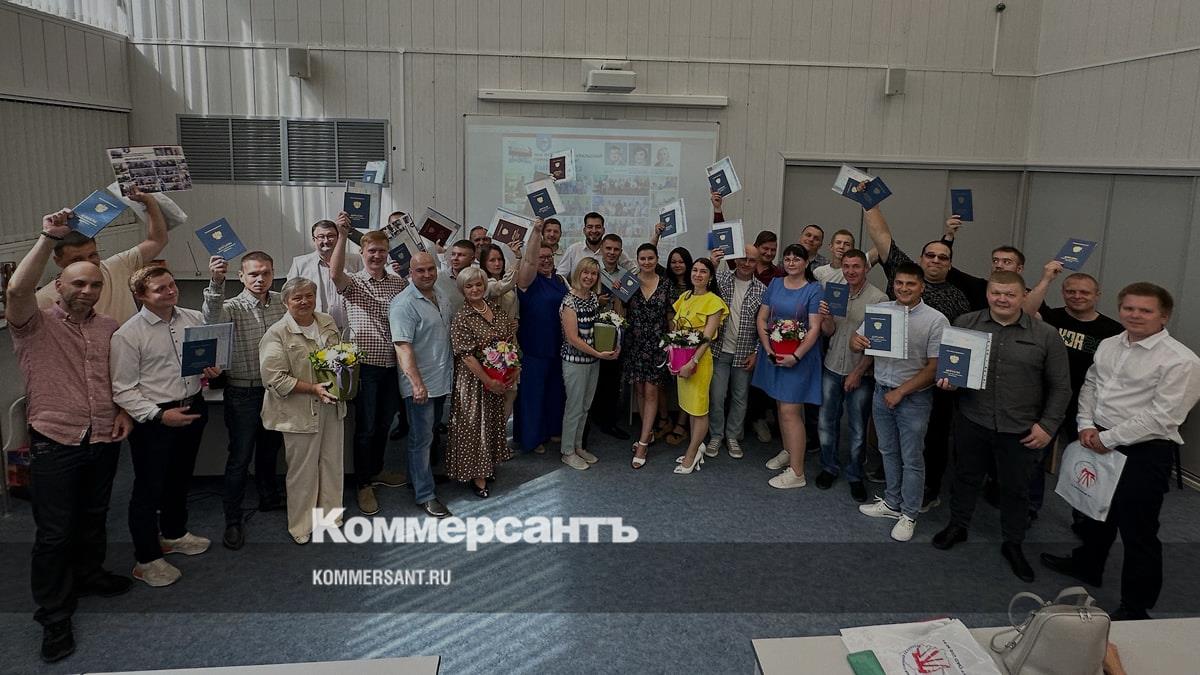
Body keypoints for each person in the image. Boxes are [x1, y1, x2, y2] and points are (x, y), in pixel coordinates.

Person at [9, 209, 134, 663]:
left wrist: (124, 410)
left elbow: (118, 378)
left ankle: (89, 575)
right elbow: (17, 290)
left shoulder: (108, 328)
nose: (87, 291)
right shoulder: (34, 324)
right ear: (58, 284)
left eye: (95, 285)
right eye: (78, 283)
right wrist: (47, 238)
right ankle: (55, 616)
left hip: (102, 436)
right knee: (55, 533)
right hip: (55, 441)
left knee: (94, 516)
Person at [1041, 283, 1200, 620]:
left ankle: (1136, 605)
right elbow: (1091, 384)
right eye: (1129, 308)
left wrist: (1108, 438)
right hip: (1096, 435)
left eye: (1145, 310)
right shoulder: (1110, 343)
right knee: (1094, 511)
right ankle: (1088, 565)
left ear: (1164, 316)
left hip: (1144, 451)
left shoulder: (1182, 360)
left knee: (1138, 531)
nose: (1135, 315)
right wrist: (1085, 423)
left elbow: (1163, 416)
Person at [931, 272, 1071, 582]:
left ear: (1023, 297)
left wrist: (1048, 426)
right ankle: (958, 525)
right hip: (973, 419)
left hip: (1021, 428)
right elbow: (952, 368)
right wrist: (949, 382)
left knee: (1016, 489)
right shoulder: (966, 323)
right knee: (965, 478)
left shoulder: (1046, 334)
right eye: (996, 293)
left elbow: (1061, 387)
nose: (1002, 299)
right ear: (988, 294)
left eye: (1010, 294)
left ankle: (1013, 543)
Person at [111, 267, 218, 587]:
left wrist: (211, 369)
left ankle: (173, 534)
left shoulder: (193, 318)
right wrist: (159, 416)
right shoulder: (128, 335)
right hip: (155, 419)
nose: (171, 291)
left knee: (180, 477)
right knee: (149, 488)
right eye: (160, 289)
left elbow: (204, 361)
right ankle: (146, 560)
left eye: (171, 285)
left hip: (193, 406)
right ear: (141, 296)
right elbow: (123, 389)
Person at [863, 199, 971, 512]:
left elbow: (961, 346)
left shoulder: (958, 299)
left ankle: (927, 491)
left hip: (932, 385)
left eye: (943, 257)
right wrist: (868, 202)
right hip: (889, 377)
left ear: (950, 264)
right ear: (921, 260)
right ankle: (894, 493)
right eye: (930, 255)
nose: (935, 260)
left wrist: (954, 377)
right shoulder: (901, 280)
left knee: (931, 441)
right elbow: (882, 237)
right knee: (889, 442)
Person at [852, 262, 948, 542]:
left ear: (922, 287)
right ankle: (892, 502)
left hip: (914, 399)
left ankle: (909, 513)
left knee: (912, 458)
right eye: (899, 283)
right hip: (881, 391)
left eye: (910, 284)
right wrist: (856, 342)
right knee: (887, 451)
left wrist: (902, 392)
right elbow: (857, 340)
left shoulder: (935, 320)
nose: (904, 288)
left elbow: (934, 367)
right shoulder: (881, 310)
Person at [1022, 264, 1124, 522]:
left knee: (1087, 460)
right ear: (1063, 293)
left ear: (1097, 295)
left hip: (1087, 406)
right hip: (1046, 401)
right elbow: (1026, 311)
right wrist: (1047, 278)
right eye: (1070, 291)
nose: (1077, 296)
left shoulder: (1113, 331)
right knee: (1034, 456)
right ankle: (1029, 507)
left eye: (1084, 292)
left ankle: (1083, 516)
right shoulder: (1052, 318)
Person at [201, 252, 286, 550]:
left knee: (270, 449)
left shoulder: (282, 302)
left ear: (273, 273)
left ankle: (268, 497)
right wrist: (216, 282)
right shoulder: (231, 307)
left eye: (265, 273)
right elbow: (210, 319)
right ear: (241, 276)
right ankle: (233, 519)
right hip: (242, 393)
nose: (260, 279)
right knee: (240, 457)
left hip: (275, 391)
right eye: (253, 274)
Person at [330, 216, 408, 516]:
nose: (377, 256)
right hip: (365, 367)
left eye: (381, 251)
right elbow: (335, 273)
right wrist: (342, 234)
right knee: (366, 427)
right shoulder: (354, 282)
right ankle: (363, 484)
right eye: (371, 251)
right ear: (362, 253)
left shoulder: (399, 284)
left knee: (385, 424)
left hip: (393, 365)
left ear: (388, 253)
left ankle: (376, 471)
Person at [259, 277, 346, 544]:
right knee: (303, 471)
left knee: (332, 463)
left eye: (309, 296)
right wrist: (312, 388)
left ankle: (331, 517)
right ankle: (301, 525)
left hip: (331, 406)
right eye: (297, 298)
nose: (304, 301)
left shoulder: (327, 322)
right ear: (285, 302)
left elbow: (338, 357)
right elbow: (274, 378)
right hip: (298, 412)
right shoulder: (276, 333)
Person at [814, 249, 887, 501]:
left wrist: (858, 372)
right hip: (832, 366)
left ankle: (855, 475)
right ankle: (829, 467)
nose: (850, 271)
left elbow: (877, 343)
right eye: (846, 266)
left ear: (866, 268)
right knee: (826, 422)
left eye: (856, 266)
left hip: (861, 373)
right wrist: (825, 318)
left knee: (857, 428)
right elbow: (829, 332)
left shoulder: (879, 299)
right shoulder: (835, 291)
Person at [36, 187, 168, 324]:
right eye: (77, 259)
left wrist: (149, 202)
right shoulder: (45, 299)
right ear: (58, 261)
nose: (88, 263)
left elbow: (157, 240)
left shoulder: (117, 266)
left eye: (92, 255)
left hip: (132, 337)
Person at [752, 245, 823, 487]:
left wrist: (797, 355)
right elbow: (762, 318)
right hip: (774, 354)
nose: (791, 263)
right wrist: (767, 348)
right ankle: (788, 450)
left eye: (797, 259)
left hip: (799, 359)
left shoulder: (814, 289)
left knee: (791, 412)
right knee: (781, 407)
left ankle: (797, 473)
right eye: (788, 259)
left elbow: (815, 327)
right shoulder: (775, 284)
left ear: (806, 263)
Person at [389, 252, 453, 518]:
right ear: (410, 273)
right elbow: (402, 347)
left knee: (429, 434)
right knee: (421, 439)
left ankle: (418, 478)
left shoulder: (440, 293)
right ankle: (425, 494)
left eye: (430, 269)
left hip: (440, 379)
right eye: (420, 270)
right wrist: (416, 384)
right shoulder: (403, 304)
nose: (427, 274)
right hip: (420, 383)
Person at [446, 267, 519, 496]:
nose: (475, 289)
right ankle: (477, 476)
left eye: (478, 284)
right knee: (474, 426)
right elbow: (466, 356)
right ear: (462, 290)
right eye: (469, 286)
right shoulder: (462, 317)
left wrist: (514, 368)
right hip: (474, 381)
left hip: (498, 376)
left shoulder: (496, 309)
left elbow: (508, 340)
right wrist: (488, 381)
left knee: (492, 422)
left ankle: (488, 466)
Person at [671, 257, 730, 474]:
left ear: (710, 276)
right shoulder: (685, 297)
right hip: (681, 359)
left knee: (699, 410)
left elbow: (707, 338)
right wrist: (673, 356)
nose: (697, 274)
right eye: (695, 270)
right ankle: (696, 447)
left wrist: (692, 361)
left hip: (699, 361)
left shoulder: (714, 301)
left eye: (703, 271)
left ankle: (692, 453)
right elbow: (676, 328)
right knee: (689, 407)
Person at [514, 222, 569, 454]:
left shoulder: (560, 280)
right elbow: (528, 263)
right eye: (540, 257)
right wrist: (536, 232)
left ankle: (551, 429)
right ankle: (532, 438)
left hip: (558, 346)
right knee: (532, 395)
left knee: (555, 391)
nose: (545, 260)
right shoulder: (526, 281)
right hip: (534, 347)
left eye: (549, 256)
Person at [559, 258, 618, 470]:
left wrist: (612, 345)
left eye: (593, 274)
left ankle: (578, 446)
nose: (589, 277)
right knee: (574, 407)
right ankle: (567, 451)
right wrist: (598, 354)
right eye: (585, 272)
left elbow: (598, 328)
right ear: (578, 273)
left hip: (593, 360)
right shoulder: (569, 302)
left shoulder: (593, 298)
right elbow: (572, 339)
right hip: (575, 362)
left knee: (585, 407)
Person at [706, 245, 765, 461]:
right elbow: (703, 289)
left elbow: (765, 325)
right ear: (736, 258)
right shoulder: (721, 279)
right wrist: (712, 263)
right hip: (719, 350)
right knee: (717, 396)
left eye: (752, 260)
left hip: (744, 354)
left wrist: (757, 352)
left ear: (757, 263)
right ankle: (716, 435)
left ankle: (732, 436)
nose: (747, 263)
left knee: (740, 398)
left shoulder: (762, 290)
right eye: (743, 258)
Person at [625, 243, 672, 467]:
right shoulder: (630, 282)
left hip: (657, 346)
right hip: (634, 345)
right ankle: (649, 432)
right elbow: (621, 311)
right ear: (637, 260)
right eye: (642, 259)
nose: (646, 262)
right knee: (640, 391)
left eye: (650, 258)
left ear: (656, 259)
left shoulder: (666, 284)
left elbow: (671, 317)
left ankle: (643, 443)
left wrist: (672, 344)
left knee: (652, 392)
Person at [587, 232, 635, 441]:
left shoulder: (626, 276)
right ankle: (589, 421)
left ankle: (608, 422)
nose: (612, 253)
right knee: (591, 380)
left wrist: (620, 297)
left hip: (614, 334)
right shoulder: (591, 271)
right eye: (608, 248)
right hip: (589, 334)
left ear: (621, 252)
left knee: (612, 380)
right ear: (602, 250)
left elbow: (627, 305)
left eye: (616, 249)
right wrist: (596, 299)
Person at [285, 219, 363, 330]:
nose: (326, 241)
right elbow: (290, 297)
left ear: (338, 237)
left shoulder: (356, 261)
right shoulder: (300, 264)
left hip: (350, 327)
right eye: (321, 237)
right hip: (315, 329)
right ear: (314, 240)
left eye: (331, 236)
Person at [659, 246, 694, 444]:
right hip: (664, 339)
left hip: (687, 342)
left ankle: (681, 424)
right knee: (661, 382)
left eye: (681, 261)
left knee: (685, 384)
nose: (677, 265)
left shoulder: (695, 284)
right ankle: (664, 420)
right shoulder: (664, 283)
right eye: (673, 262)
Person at [555, 212, 632, 277]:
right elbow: (561, 276)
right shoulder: (573, 250)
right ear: (584, 230)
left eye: (598, 227)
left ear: (603, 230)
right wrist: (571, 289)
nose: (594, 230)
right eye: (590, 227)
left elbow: (634, 271)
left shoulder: (613, 251)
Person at [435, 239, 476, 319]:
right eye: (453, 254)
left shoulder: (478, 278)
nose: (455, 258)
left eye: (461, 255)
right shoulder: (438, 279)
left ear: (472, 259)